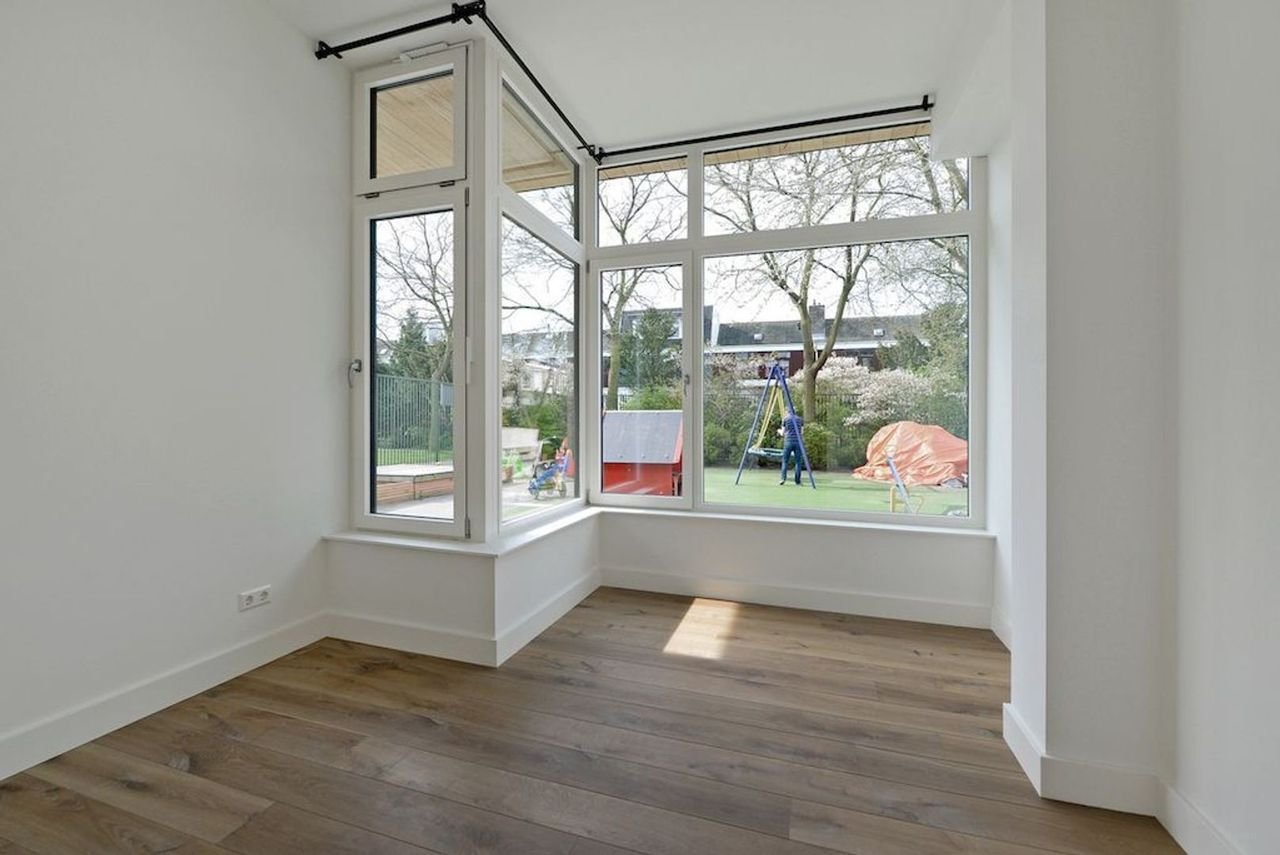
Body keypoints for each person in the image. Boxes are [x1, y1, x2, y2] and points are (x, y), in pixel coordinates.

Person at [778, 410, 805, 485]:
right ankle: (797, 481)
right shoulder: (800, 420)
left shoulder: (786, 419)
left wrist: (779, 431)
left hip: (788, 442)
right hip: (798, 442)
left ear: (788, 412)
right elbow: (802, 432)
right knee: (798, 462)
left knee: (785, 461)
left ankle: (783, 479)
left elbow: (783, 433)